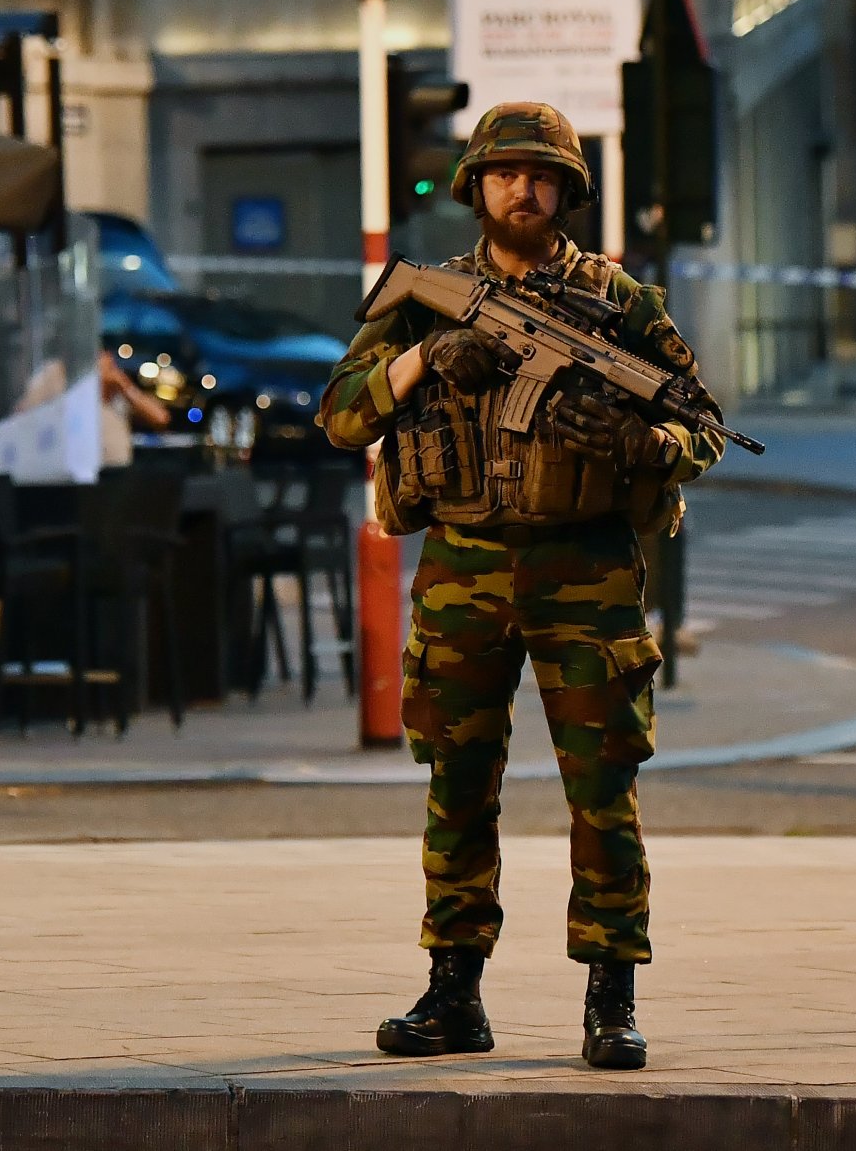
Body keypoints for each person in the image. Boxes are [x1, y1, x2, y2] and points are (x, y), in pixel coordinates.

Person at [317, 101, 725, 1072]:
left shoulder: (620, 304)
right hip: (462, 566)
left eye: (542, 176)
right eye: (505, 173)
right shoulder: (424, 296)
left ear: (568, 191)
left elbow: (701, 425)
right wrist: (424, 358)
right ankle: (452, 991)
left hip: (584, 566)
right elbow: (338, 413)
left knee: (602, 791)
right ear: (475, 186)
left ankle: (610, 997)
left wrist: (643, 444)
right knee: (457, 786)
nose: (523, 189)